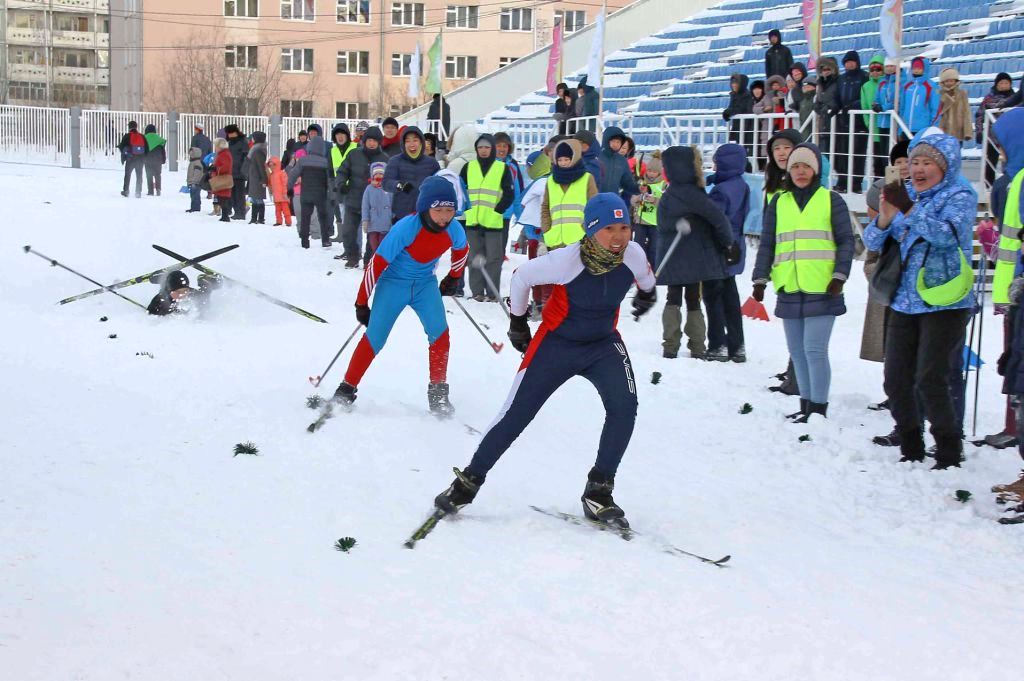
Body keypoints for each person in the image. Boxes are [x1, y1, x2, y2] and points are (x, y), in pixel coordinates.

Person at [433, 193, 658, 524]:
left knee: (624, 407)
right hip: (557, 344)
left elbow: (648, 280)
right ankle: (468, 482)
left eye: (625, 227)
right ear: (591, 229)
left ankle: (598, 491)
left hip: (602, 345)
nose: (619, 236)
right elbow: (522, 277)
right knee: (517, 413)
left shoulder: (633, 254)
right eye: (609, 228)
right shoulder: (567, 260)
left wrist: (646, 295)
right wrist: (518, 321)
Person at [862, 132, 976, 468]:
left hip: (946, 300)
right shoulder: (905, 193)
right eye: (915, 162)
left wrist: (909, 208)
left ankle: (948, 450)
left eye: (928, 163)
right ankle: (911, 445)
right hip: (904, 300)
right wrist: (885, 215)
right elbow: (873, 239)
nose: (920, 169)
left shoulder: (960, 196)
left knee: (931, 377)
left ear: (945, 167)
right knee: (895, 378)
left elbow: (945, 236)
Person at [331, 176, 469, 415]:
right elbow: (376, 265)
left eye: (450, 210)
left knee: (440, 334)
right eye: (439, 210)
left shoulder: (453, 228)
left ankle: (438, 395)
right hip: (394, 284)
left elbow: (462, 250)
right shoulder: (406, 228)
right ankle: (346, 388)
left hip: (425, 284)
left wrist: (454, 277)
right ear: (425, 207)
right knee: (375, 337)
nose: (445, 216)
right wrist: (362, 303)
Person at [753, 143, 855, 422]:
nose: (800, 171)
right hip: (789, 285)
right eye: (795, 166)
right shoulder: (779, 202)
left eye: (806, 166)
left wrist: (840, 275)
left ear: (816, 170)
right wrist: (760, 278)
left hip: (823, 287)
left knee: (814, 350)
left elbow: (847, 241)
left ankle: (819, 409)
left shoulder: (830, 200)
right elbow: (768, 243)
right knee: (797, 352)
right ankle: (806, 405)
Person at [656, 145, 736, 360]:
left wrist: (675, 224)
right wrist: (728, 243)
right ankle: (697, 346)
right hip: (693, 258)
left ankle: (670, 344)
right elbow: (718, 218)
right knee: (693, 299)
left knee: (673, 298)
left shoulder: (673, 192)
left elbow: (662, 222)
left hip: (673, 258)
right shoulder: (691, 192)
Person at [705, 143, 750, 362]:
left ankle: (717, 344)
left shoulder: (721, 191)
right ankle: (737, 345)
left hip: (718, 248)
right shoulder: (740, 184)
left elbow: (713, 218)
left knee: (714, 297)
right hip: (735, 245)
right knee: (731, 297)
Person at [460, 134, 515, 301]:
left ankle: (492, 293)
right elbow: (461, 190)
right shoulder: (468, 167)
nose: (483, 151)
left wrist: (498, 210)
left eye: (487, 147)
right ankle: (477, 292)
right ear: (476, 149)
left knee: (494, 259)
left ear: (492, 149)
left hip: (493, 221)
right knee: (475, 259)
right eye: (480, 147)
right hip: (473, 221)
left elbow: (509, 193)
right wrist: (467, 209)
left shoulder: (501, 168)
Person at [336, 125, 389, 265]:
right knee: (348, 232)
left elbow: (389, 180)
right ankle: (353, 257)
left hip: (374, 205)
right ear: (364, 140)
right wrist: (341, 184)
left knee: (373, 235)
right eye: (369, 140)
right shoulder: (354, 154)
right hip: (353, 200)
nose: (371, 143)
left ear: (379, 142)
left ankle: (368, 260)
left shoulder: (384, 159)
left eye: (375, 141)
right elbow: (342, 171)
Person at [541, 139, 599, 250]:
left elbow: (594, 206)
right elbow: (545, 207)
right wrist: (547, 228)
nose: (563, 163)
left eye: (566, 159)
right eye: (560, 160)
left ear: (573, 158)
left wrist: (585, 229)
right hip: (555, 240)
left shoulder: (587, 178)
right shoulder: (551, 181)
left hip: (580, 239)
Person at [383, 126, 441, 223]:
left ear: (421, 142)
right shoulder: (395, 161)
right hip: (402, 215)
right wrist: (399, 185)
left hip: (426, 215)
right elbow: (386, 183)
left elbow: (439, 185)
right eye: (408, 141)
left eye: (415, 140)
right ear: (403, 143)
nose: (411, 144)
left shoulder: (432, 163)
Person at [834, 51, 868, 193]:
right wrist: (836, 106)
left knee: (858, 154)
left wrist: (853, 106)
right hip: (843, 121)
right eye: (847, 62)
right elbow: (836, 96)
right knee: (842, 154)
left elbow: (866, 97)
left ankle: (856, 184)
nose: (850, 64)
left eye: (852, 61)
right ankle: (842, 181)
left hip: (859, 122)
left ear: (857, 62)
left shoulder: (864, 76)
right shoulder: (841, 79)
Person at [976, 72, 1016, 187]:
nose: (1003, 85)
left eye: (1006, 83)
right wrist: (979, 132)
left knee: (1009, 161)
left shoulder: (1015, 98)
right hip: (992, 136)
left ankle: (1009, 185)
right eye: (1001, 83)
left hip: (1009, 137)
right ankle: (988, 186)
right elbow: (979, 115)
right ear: (996, 84)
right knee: (990, 162)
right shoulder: (989, 99)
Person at [633, 153, 664, 266]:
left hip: (655, 223)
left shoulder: (663, 186)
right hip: (641, 221)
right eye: (649, 170)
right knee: (638, 247)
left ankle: (654, 271)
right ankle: (638, 269)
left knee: (654, 249)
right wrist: (639, 198)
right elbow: (633, 200)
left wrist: (654, 200)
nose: (651, 174)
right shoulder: (641, 183)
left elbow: (666, 204)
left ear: (659, 172)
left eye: (654, 171)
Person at [861, 54, 887, 182]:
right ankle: (877, 186)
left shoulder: (887, 84)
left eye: (878, 69)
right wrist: (868, 124)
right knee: (876, 160)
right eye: (872, 70)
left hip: (887, 127)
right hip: (874, 129)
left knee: (887, 160)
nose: (875, 72)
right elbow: (864, 108)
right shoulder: (865, 87)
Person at [361, 162, 393, 265]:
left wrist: (393, 217)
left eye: (381, 173)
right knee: (374, 246)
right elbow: (365, 206)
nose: (379, 176)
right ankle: (374, 264)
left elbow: (393, 203)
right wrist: (365, 220)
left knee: (383, 246)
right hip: (373, 224)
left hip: (386, 223)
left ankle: (383, 264)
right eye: (376, 174)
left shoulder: (388, 188)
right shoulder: (369, 189)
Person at [147, 270, 218, 316]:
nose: (182, 294)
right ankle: (162, 277)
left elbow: (205, 299)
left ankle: (203, 280)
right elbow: (151, 313)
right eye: (177, 292)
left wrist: (209, 286)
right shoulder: (160, 301)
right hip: (167, 290)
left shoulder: (191, 293)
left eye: (185, 291)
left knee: (204, 299)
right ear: (170, 291)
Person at [899, 57, 940, 138]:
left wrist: (932, 129)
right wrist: (900, 128)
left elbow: (936, 110)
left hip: (922, 130)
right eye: (914, 68)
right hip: (906, 129)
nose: (916, 70)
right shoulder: (907, 86)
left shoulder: (932, 86)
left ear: (925, 68)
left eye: (919, 68)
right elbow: (902, 108)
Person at [329, 123, 357, 242]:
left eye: (342, 134)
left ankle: (354, 247)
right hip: (340, 189)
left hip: (354, 188)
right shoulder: (333, 151)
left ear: (347, 135)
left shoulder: (355, 146)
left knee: (353, 220)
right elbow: (331, 171)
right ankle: (347, 246)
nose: (340, 137)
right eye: (337, 134)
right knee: (343, 217)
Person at [597, 126, 639, 203]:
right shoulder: (596, 157)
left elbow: (627, 183)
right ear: (606, 140)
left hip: (613, 201)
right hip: (595, 200)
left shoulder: (622, 161)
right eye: (613, 141)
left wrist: (639, 188)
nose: (615, 144)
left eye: (618, 142)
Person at [938, 68, 974, 143]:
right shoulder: (939, 94)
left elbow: (966, 113)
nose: (949, 83)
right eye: (947, 81)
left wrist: (967, 132)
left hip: (958, 131)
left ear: (956, 81)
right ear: (943, 82)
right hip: (943, 130)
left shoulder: (962, 94)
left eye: (951, 81)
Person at [813, 57, 840, 156]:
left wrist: (830, 106)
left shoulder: (838, 81)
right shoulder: (820, 83)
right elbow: (818, 99)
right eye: (823, 69)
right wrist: (816, 105)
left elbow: (839, 98)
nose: (826, 72)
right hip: (823, 122)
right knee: (823, 152)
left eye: (828, 69)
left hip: (835, 121)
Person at [724, 73, 754, 156]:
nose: (734, 85)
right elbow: (732, 108)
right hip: (737, 127)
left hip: (747, 127)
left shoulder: (747, 95)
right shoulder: (733, 95)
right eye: (732, 83)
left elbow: (743, 109)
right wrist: (728, 113)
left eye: (736, 83)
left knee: (744, 151)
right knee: (739, 151)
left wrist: (729, 112)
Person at [243, 131, 268, 224]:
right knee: (254, 198)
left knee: (258, 199)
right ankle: (254, 218)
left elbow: (260, 166)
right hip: (254, 177)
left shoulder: (258, 151)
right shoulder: (255, 149)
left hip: (257, 178)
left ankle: (260, 219)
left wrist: (263, 179)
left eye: (253, 137)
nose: (251, 139)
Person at [117, 120, 147, 198]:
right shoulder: (142, 136)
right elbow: (147, 148)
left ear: (129, 127)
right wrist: (144, 158)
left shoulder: (127, 136)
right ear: (136, 127)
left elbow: (121, 146)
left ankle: (126, 191)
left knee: (127, 175)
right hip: (140, 159)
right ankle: (138, 192)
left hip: (130, 158)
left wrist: (125, 156)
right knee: (139, 175)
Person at [224, 124, 249, 220]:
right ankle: (236, 211)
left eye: (230, 133)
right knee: (233, 194)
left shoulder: (242, 142)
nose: (229, 135)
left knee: (239, 194)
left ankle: (241, 212)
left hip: (240, 172)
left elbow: (246, 157)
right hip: (231, 172)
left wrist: (243, 170)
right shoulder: (229, 142)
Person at [210, 137, 233, 222]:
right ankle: (224, 215)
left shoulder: (224, 154)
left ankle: (225, 216)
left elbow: (225, 166)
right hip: (221, 178)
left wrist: (216, 169)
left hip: (223, 179)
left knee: (223, 198)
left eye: (216, 146)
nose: (215, 148)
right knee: (222, 197)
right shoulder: (222, 153)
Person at [141, 124, 166, 196]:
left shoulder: (144, 138)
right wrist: (163, 160)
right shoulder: (159, 139)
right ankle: (158, 190)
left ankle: (150, 191)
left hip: (147, 159)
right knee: (158, 174)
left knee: (149, 175)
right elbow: (163, 151)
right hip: (158, 159)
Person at [267, 155, 292, 227]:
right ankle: (279, 221)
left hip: (282, 196)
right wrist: (271, 191)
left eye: (272, 165)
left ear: (277, 164)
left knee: (285, 210)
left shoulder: (282, 173)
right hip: (276, 196)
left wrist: (285, 193)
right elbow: (270, 184)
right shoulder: (271, 175)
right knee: (277, 210)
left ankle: (288, 222)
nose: (271, 167)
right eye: (270, 165)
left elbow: (285, 184)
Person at [185, 147, 204, 213]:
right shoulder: (193, 162)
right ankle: (193, 207)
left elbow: (197, 174)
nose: (190, 154)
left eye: (191, 153)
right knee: (193, 195)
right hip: (193, 182)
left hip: (196, 183)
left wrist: (193, 181)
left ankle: (196, 208)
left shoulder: (197, 163)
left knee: (195, 196)